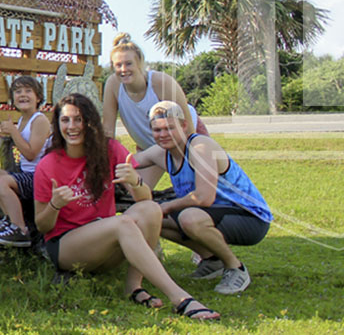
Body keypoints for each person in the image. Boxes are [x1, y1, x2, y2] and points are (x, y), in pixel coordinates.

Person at [34, 93, 220, 321]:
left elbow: (144, 198)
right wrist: (55, 204)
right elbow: (42, 225)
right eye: (65, 120)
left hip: (107, 242)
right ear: (58, 124)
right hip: (67, 248)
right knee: (122, 224)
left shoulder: (109, 149)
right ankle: (180, 299)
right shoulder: (48, 165)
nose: (72, 126)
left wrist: (135, 180)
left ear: (90, 122)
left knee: (151, 209)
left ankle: (134, 286)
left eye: (79, 119)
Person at [133, 100, 272, 294]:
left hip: (249, 218)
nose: (163, 135)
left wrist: (165, 206)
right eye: (157, 130)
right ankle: (212, 261)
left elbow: (203, 198)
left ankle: (235, 268)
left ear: (183, 126)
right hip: (212, 214)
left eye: (170, 128)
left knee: (188, 218)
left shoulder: (200, 146)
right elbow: (127, 161)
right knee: (152, 218)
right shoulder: (161, 152)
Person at [102, 33, 209, 187]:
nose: (123, 69)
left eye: (129, 63)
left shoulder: (161, 83)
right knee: (133, 189)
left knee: (205, 187)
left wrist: (190, 156)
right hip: (150, 146)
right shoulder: (113, 85)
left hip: (184, 139)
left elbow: (187, 126)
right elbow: (107, 130)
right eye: (118, 65)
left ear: (139, 63)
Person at [0, 76, 51, 246]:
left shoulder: (40, 120)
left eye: (28, 91)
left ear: (38, 97)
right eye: (18, 91)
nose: (23, 95)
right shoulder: (23, 120)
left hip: (39, 177)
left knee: (2, 182)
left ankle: (20, 229)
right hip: (25, 173)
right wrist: (9, 136)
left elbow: (31, 153)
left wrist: (13, 132)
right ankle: (9, 220)